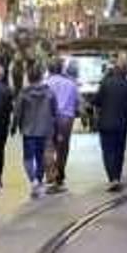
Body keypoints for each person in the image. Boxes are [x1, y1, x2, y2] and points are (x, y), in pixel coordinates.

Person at [12, 65, 58, 199]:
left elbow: (17, 112)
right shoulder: (49, 92)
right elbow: (54, 110)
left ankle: (33, 181)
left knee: (28, 158)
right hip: (44, 130)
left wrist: (14, 126)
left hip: (28, 130)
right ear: (41, 77)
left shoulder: (23, 93)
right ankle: (38, 179)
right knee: (40, 158)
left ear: (29, 77)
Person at [95, 56, 127, 191]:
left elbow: (97, 101)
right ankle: (117, 177)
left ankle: (112, 178)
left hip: (105, 123)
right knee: (119, 151)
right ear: (126, 70)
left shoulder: (105, 82)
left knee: (108, 151)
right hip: (122, 123)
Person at [45, 59, 79, 192]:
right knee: (63, 148)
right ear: (61, 69)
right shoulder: (71, 83)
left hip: (49, 117)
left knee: (48, 147)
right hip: (66, 119)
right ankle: (60, 176)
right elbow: (77, 101)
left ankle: (50, 176)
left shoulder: (45, 83)